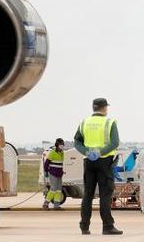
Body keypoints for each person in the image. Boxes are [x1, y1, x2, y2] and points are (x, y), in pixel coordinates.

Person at [74, 98, 122, 235]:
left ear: (93, 108)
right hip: (104, 161)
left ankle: (84, 226)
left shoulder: (84, 122)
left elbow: (77, 142)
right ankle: (107, 226)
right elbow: (114, 143)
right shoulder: (110, 122)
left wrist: (87, 152)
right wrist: (100, 152)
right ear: (105, 108)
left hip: (88, 162)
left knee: (88, 194)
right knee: (105, 195)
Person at [43, 138, 65, 210]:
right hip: (53, 173)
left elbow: (60, 164)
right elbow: (46, 163)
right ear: (57, 145)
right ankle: (45, 204)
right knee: (53, 189)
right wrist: (46, 172)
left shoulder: (62, 153)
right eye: (60, 145)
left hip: (59, 174)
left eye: (62, 145)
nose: (62, 146)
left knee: (59, 190)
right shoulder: (52, 152)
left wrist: (62, 171)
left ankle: (56, 206)